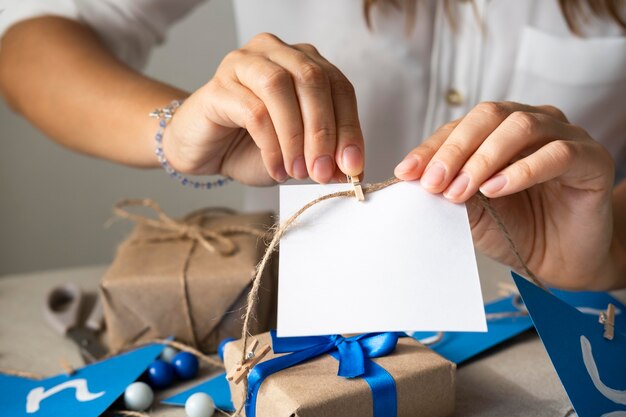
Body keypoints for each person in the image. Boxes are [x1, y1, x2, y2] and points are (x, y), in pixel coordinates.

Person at [0, 0, 624, 290]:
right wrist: (174, 127)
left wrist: (612, 246)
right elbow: (30, 37)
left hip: (581, 323)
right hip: (281, 323)